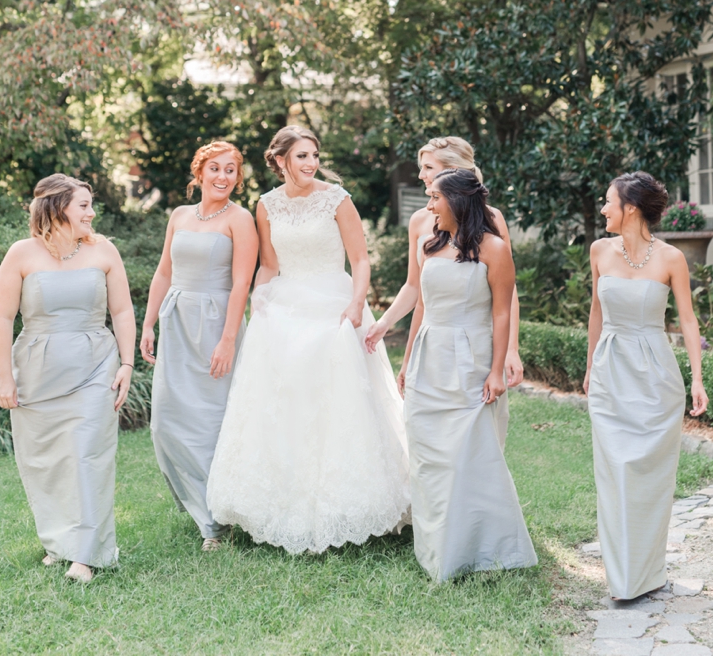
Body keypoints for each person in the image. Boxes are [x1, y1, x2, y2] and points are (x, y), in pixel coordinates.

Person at [206, 125, 409, 553]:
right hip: (284, 307)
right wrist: (258, 298)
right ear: (280, 161)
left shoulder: (337, 198)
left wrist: (357, 304)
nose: (311, 163)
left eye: (314, 155)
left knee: (336, 403)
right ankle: (283, 504)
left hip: (334, 304)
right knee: (285, 403)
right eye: (301, 156)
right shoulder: (265, 206)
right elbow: (269, 264)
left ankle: (345, 506)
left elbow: (359, 259)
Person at [0, 175, 137, 583]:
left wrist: (126, 364)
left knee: (87, 454)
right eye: (84, 206)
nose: (92, 213)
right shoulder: (21, 254)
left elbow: (122, 312)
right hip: (37, 372)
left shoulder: (104, 250)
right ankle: (60, 542)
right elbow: (2, 319)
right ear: (57, 209)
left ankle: (86, 555)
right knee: (47, 463)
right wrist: (5, 377)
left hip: (96, 366)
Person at [403, 169, 536, 581]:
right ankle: (436, 549)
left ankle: (483, 548)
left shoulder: (494, 249)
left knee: (469, 455)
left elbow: (500, 311)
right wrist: (407, 361)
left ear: (457, 200)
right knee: (429, 456)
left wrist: (496, 370)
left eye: (434, 198)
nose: (428, 207)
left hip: (471, 358)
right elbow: (422, 307)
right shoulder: (430, 246)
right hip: (430, 356)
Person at [584, 171, 708, 602]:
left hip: (656, 378)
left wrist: (697, 378)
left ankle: (648, 572)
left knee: (650, 478)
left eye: (608, 201)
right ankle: (622, 578)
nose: (603, 209)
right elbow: (596, 315)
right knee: (614, 473)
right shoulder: (600, 251)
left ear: (630, 208)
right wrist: (589, 368)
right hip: (610, 373)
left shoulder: (672, 258)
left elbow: (687, 321)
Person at [140, 141, 257, 549]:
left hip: (215, 324)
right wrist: (149, 322)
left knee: (211, 421)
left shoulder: (240, 220)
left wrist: (228, 340)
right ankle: (197, 499)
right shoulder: (179, 215)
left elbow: (242, 282)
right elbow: (162, 272)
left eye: (231, 170)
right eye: (216, 169)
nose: (223, 177)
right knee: (167, 422)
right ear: (200, 172)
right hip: (176, 322)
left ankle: (216, 520)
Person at [364, 136, 523, 388]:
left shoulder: (492, 218)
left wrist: (511, 349)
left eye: (428, 167)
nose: (420, 175)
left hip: (473, 339)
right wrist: (385, 323)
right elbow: (415, 288)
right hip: (433, 338)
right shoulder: (419, 221)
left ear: (453, 171)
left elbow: (507, 290)